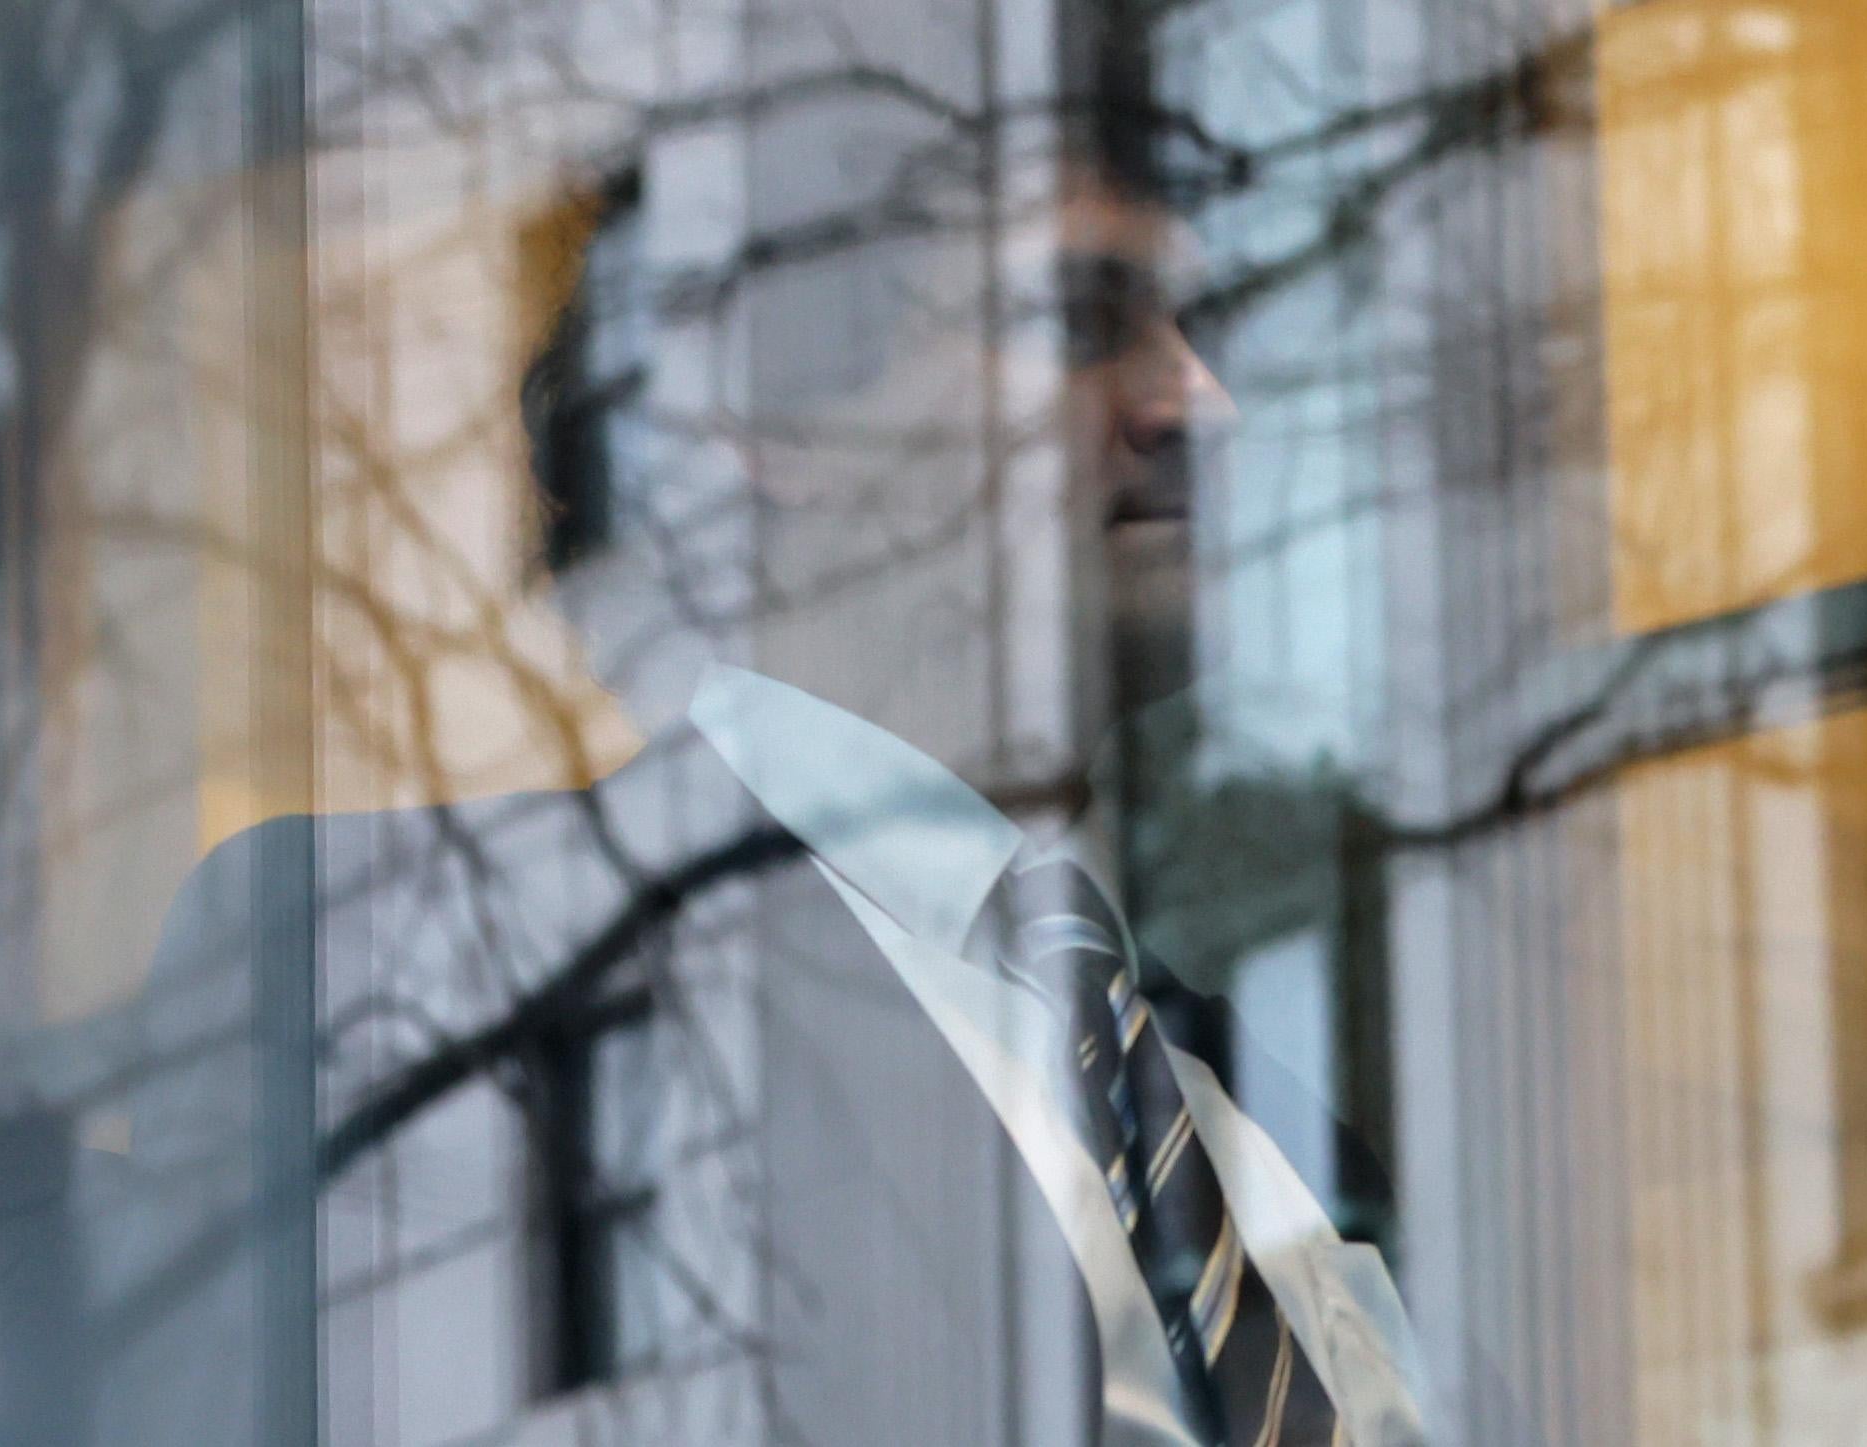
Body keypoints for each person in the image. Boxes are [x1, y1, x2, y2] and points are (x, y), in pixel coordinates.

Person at [121, 135, 1430, 1445]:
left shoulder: (1260, 1057)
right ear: (769, 415)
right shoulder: (368, 960)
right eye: (1080, 319)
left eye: (1196, 327)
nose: (1194, 400)